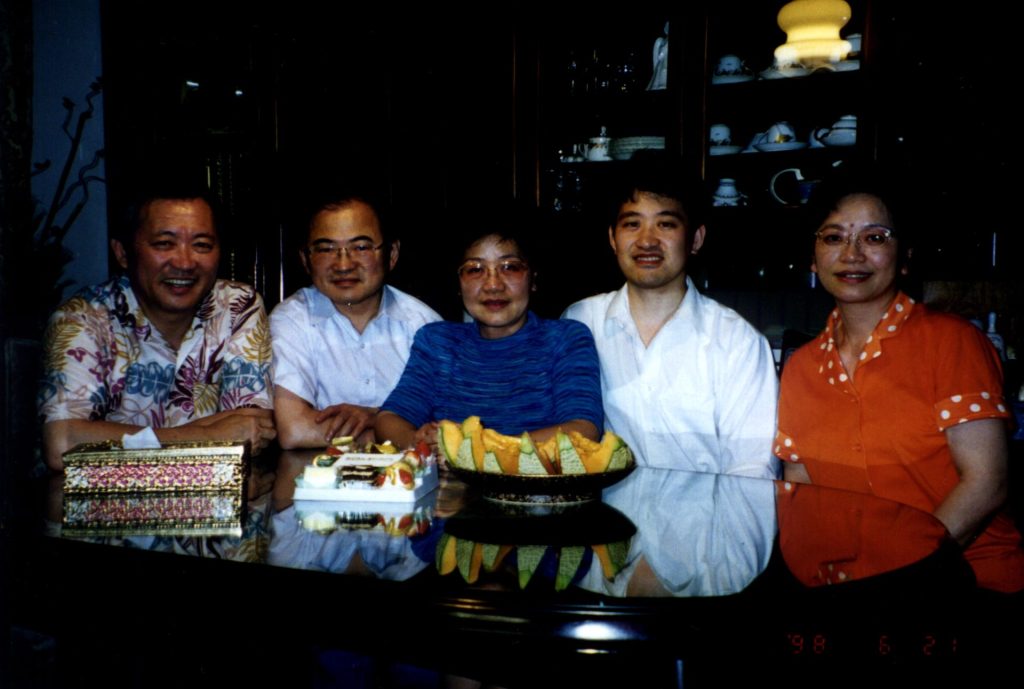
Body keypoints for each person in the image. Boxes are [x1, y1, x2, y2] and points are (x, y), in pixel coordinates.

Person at [775, 181, 1024, 592]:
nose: (852, 254)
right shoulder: (801, 367)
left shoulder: (952, 342)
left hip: (962, 582)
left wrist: (898, 577)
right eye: (834, 237)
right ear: (813, 260)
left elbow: (986, 482)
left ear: (904, 257)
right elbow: (801, 493)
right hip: (848, 586)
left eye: (874, 237)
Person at [563, 160, 778, 478]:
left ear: (695, 239)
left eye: (665, 224)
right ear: (612, 238)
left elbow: (752, 469)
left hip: (704, 512)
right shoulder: (579, 323)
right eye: (632, 224)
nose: (647, 240)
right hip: (599, 512)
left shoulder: (738, 342)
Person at [39, 182, 275, 470]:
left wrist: (119, 439)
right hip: (108, 496)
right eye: (164, 244)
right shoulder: (83, 319)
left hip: (214, 492)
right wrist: (207, 436)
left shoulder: (237, 306)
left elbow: (254, 428)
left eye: (201, 245)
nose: (185, 263)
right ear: (123, 253)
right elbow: (62, 444)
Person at [376, 218, 603, 450]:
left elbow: (583, 429)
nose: (493, 285)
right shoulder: (437, 342)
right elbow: (389, 419)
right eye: (475, 270)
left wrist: (479, 449)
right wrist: (418, 441)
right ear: (459, 283)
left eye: (510, 267)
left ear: (533, 279)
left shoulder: (565, 339)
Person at [270, 194, 440, 448]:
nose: (343, 265)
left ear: (391, 254)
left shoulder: (424, 325)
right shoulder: (291, 320)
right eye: (326, 249)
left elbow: (445, 423)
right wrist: (393, 430)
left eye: (361, 247)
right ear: (306, 259)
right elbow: (296, 431)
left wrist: (375, 417)